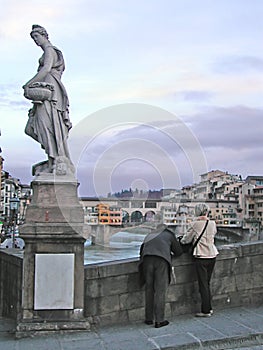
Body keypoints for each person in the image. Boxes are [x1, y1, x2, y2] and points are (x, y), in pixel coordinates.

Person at [23, 24, 73, 175]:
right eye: (33, 38)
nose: (35, 41)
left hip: (50, 92)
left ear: (44, 35)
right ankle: (52, 159)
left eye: (36, 37)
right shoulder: (47, 51)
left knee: (49, 126)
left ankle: (55, 160)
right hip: (44, 91)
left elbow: (46, 69)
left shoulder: (50, 50)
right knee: (33, 128)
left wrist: (28, 84)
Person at [138, 224, 182, 328]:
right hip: (161, 261)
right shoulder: (169, 234)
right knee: (160, 290)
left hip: (147, 260)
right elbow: (179, 251)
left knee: (149, 289)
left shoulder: (149, 235)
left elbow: (141, 251)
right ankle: (159, 320)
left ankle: (149, 318)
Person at [180, 203, 218, 317]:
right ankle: (209, 308)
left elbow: (185, 240)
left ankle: (206, 311)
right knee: (207, 283)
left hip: (201, 256)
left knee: (203, 284)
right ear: (207, 212)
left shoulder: (195, 224)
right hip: (212, 255)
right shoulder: (212, 223)